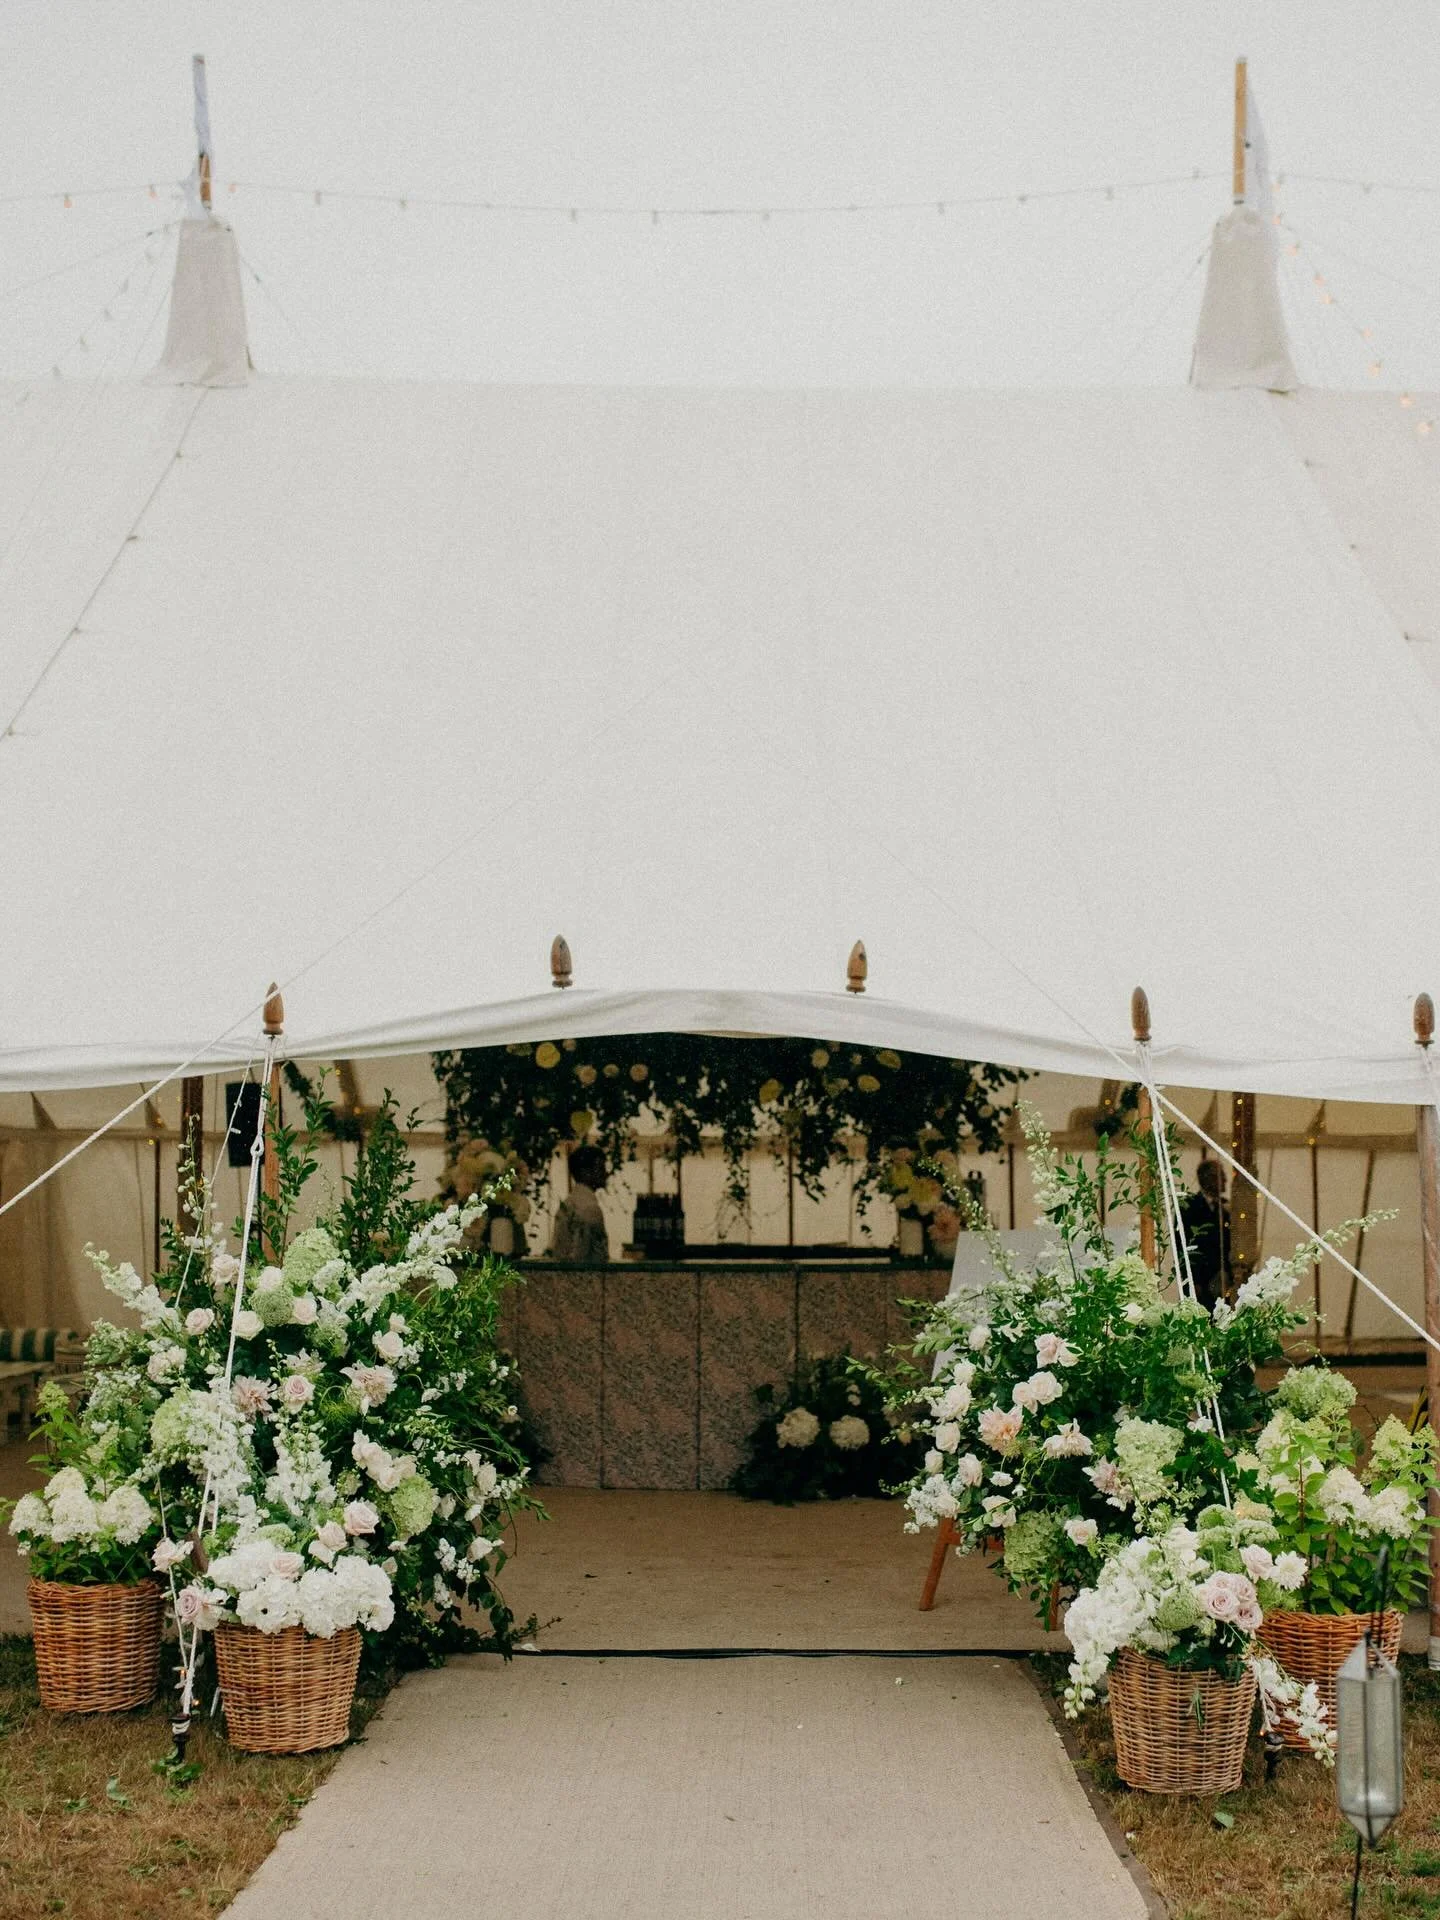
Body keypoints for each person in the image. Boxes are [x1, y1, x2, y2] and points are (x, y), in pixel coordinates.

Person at [1179, 1159, 1231, 1312]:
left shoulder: (1225, 1207)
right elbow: (1182, 1245)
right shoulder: (1189, 1207)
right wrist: (1192, 1279)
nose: (1225, 1180)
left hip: (1222, 1278)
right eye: (1220, 1175)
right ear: (1207, 1178)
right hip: (1200, 1280)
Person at [548, 1144, 611, 1262]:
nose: (605, 1174)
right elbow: (585, 1257)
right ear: (585, 1172)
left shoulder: (569, 1203)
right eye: (600, 1168)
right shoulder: (589, 1208)